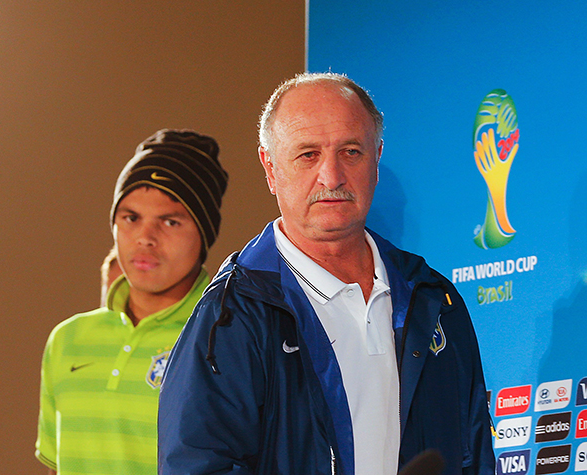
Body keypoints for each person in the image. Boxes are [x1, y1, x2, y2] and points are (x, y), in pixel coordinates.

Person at [158, 73, 494, 475]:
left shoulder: (434, 302)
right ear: (270, 167)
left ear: (377, 159)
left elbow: (474, 457)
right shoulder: (231, 315)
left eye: (351, 152)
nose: (332, 177)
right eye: (308, 154)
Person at [36, 129, 229, 474]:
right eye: (131, 217)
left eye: (170, 221)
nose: (145, 238)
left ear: (204, 233)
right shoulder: (66, 340)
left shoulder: (228, 338)